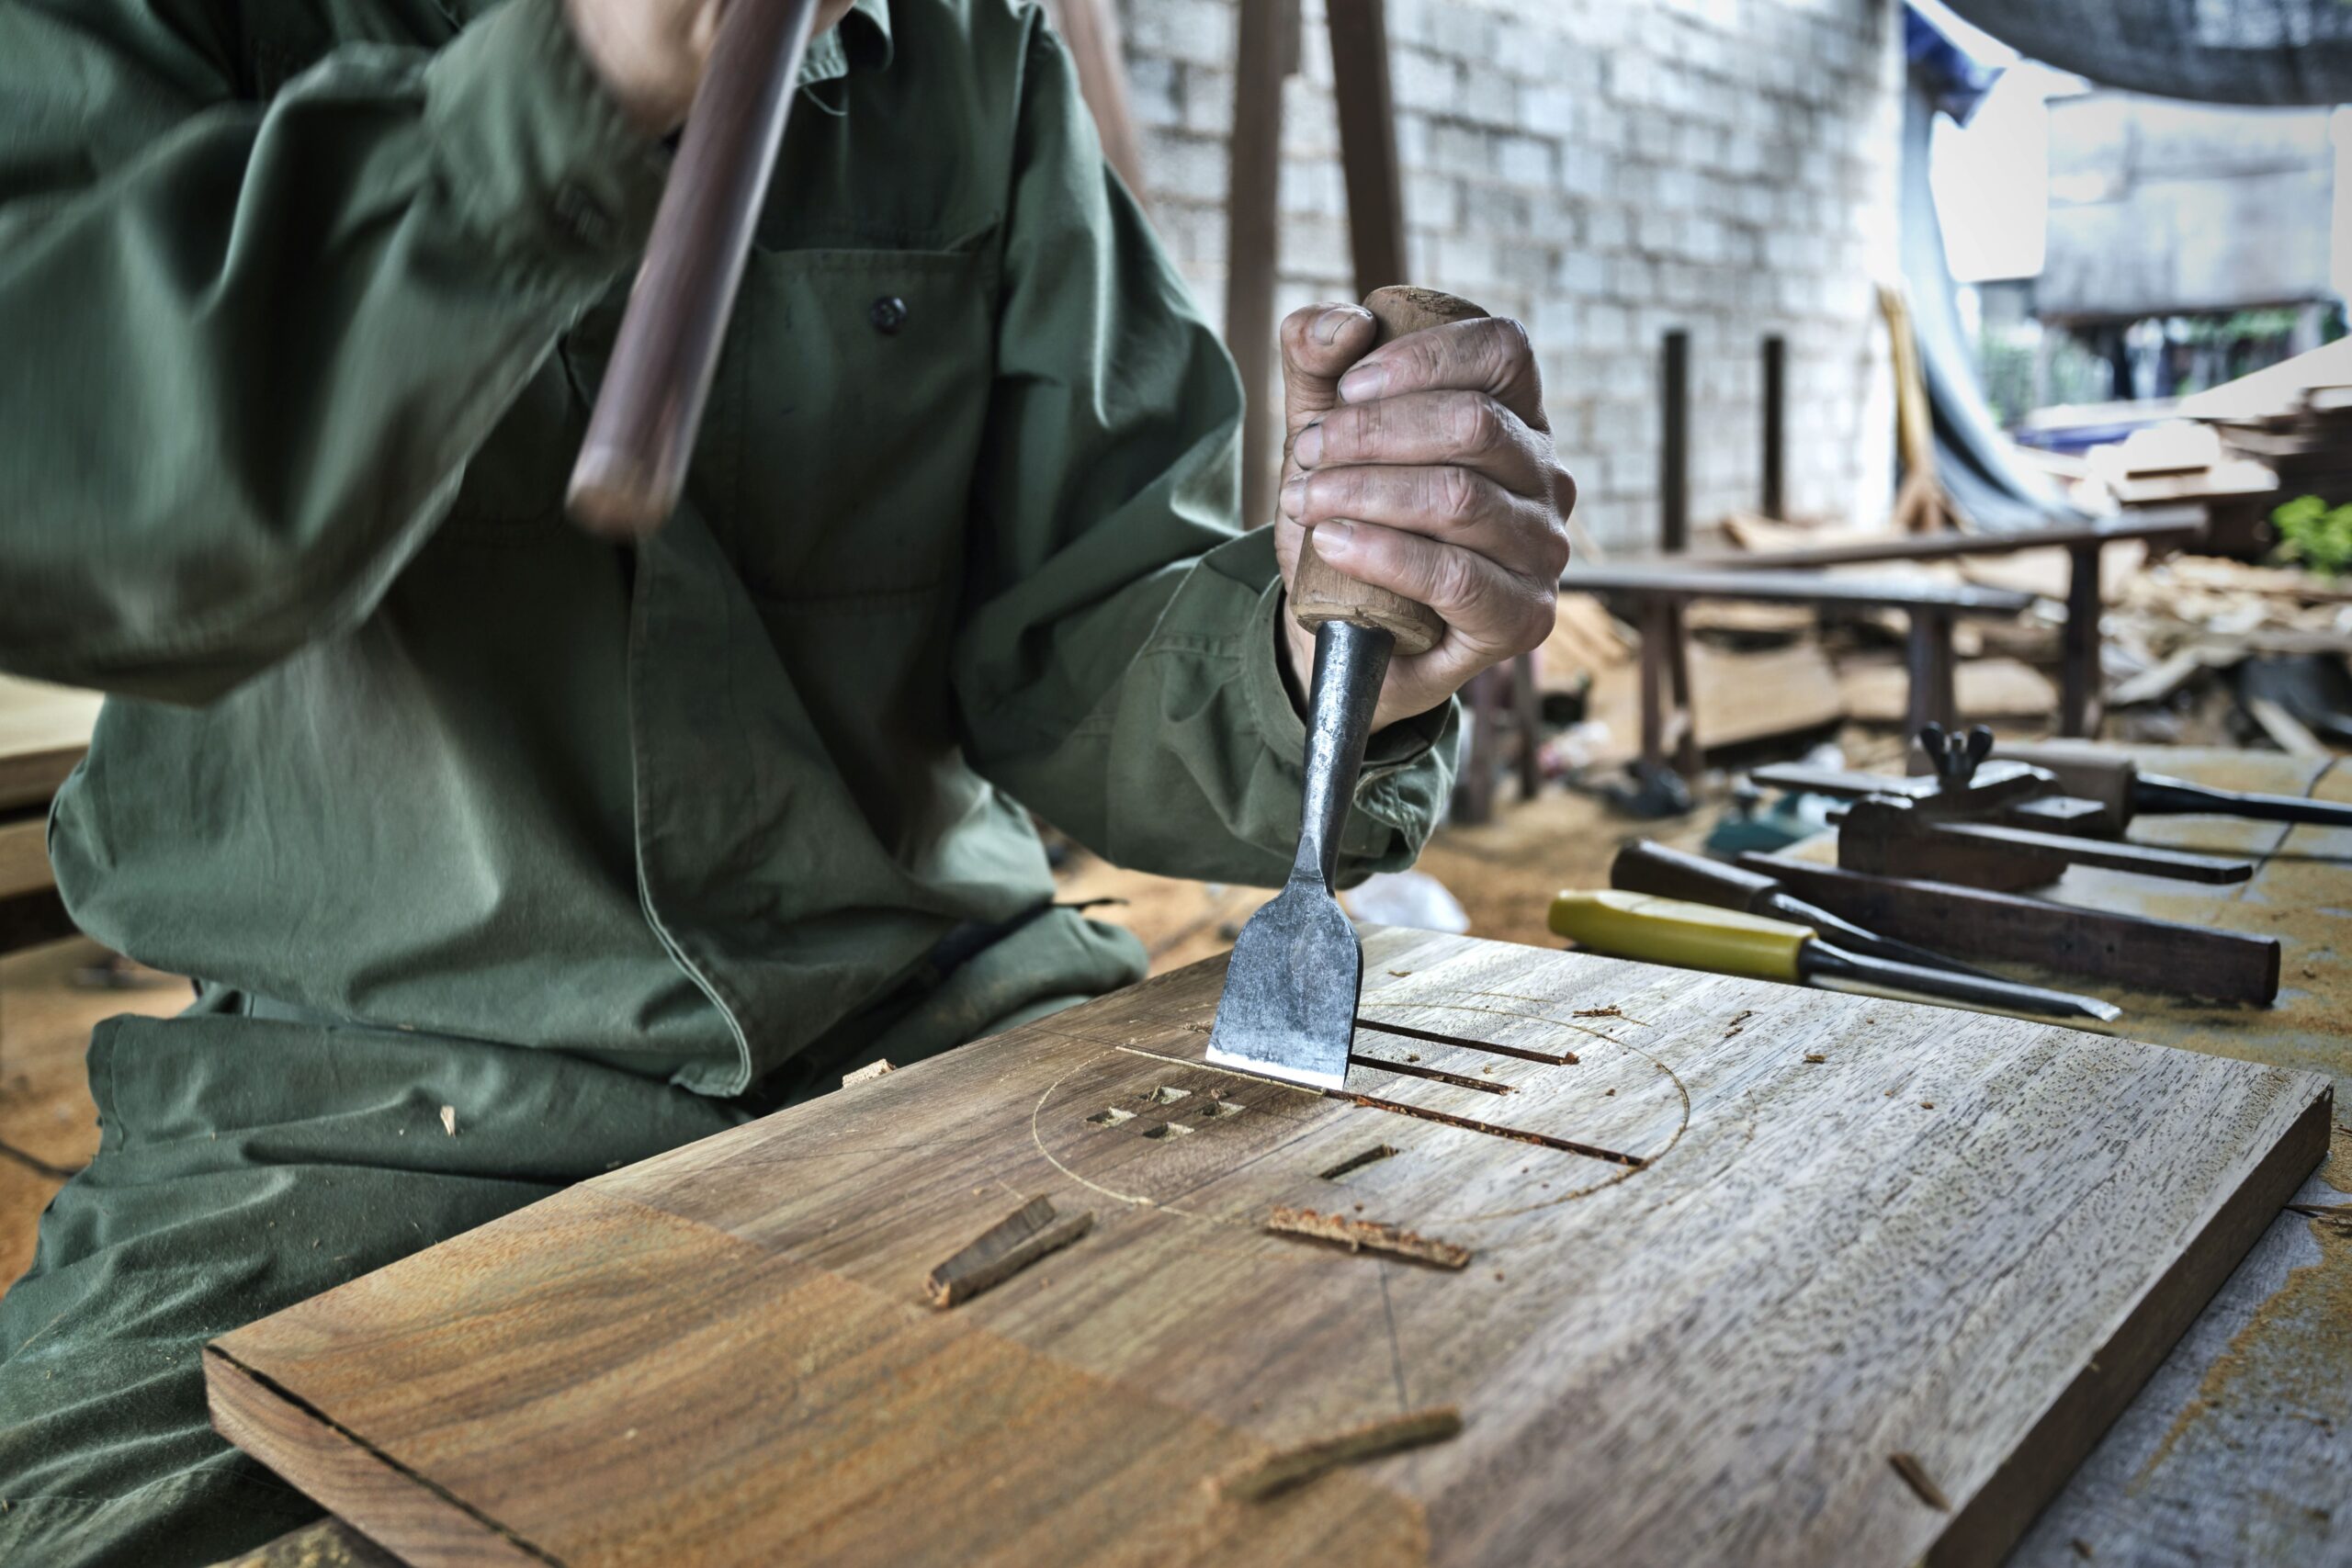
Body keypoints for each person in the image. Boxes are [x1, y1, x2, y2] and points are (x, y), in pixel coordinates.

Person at [0, 0, 1576, 1558]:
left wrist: (1313, 657)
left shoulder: (962, 48)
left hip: (931, 1049)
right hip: (355, 1130)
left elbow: (1075, 629)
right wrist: (573, 90)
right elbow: (69, 507)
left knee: (1391, 1441)